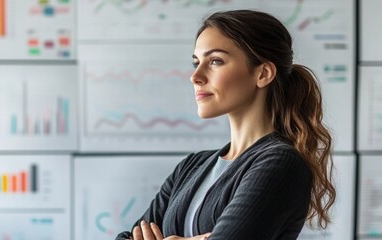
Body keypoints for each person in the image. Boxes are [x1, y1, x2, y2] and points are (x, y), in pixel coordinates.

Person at [116, 9, 335, 240]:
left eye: (215, 61)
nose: (196, 76)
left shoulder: (280, 163)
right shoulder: (191, 167)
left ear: (263, 73)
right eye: (196, 63)